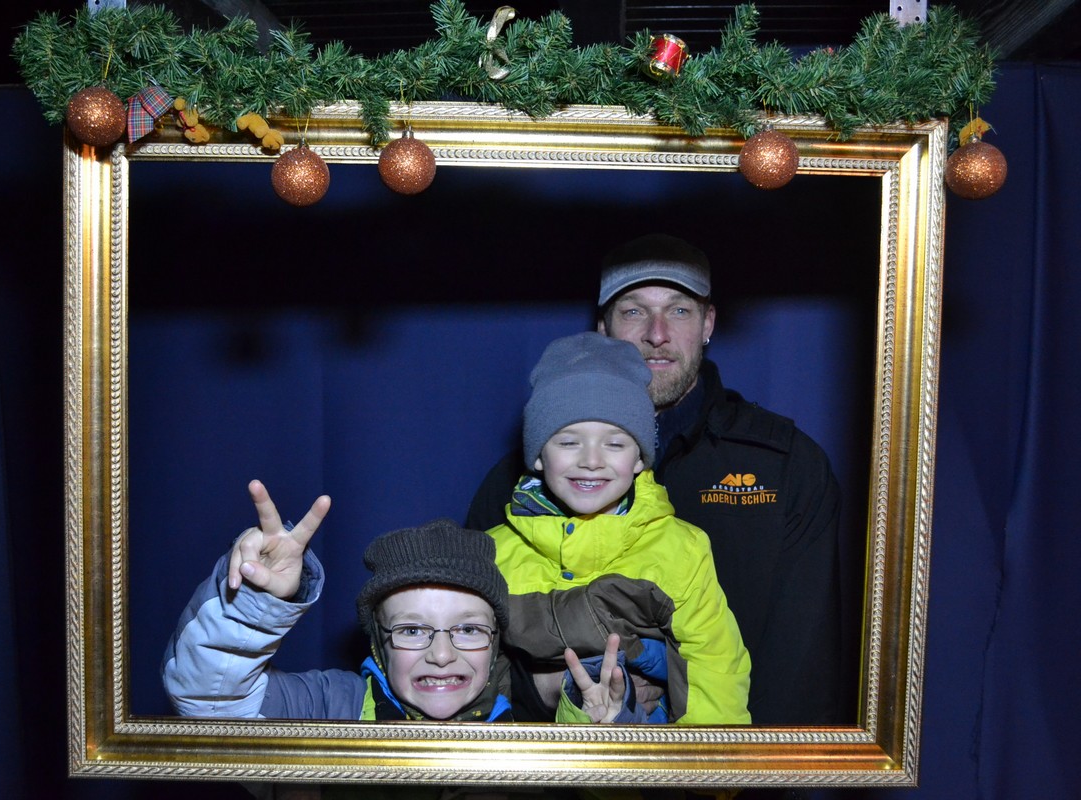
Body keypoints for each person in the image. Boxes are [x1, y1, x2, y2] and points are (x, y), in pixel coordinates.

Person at [467, 234, 843, 726]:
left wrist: (730, 766)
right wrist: (549, 691)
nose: (658, 334)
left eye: (679, 310)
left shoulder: (785, 464)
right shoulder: (518, 483)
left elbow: (805, 667)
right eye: (634, 311)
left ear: (708, 323)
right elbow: (467, 651)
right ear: (603, 328)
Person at [163, 480, 640, 724]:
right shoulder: (333, 707)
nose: (441, 654)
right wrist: (255, 600)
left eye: (468, 629)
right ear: (379, 644)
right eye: (412, 630)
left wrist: (600, 740)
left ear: (496, 641)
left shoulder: (530, 720)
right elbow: (210, 700)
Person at [485, 331, 751, 726]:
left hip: (643, 757)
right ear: (538, 455)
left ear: (640, 458)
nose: (592, 461)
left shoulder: (682, 548)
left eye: (615, 444)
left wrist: (707, 761)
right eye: (569, 442)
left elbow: (715, 665)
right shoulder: (490, 553)